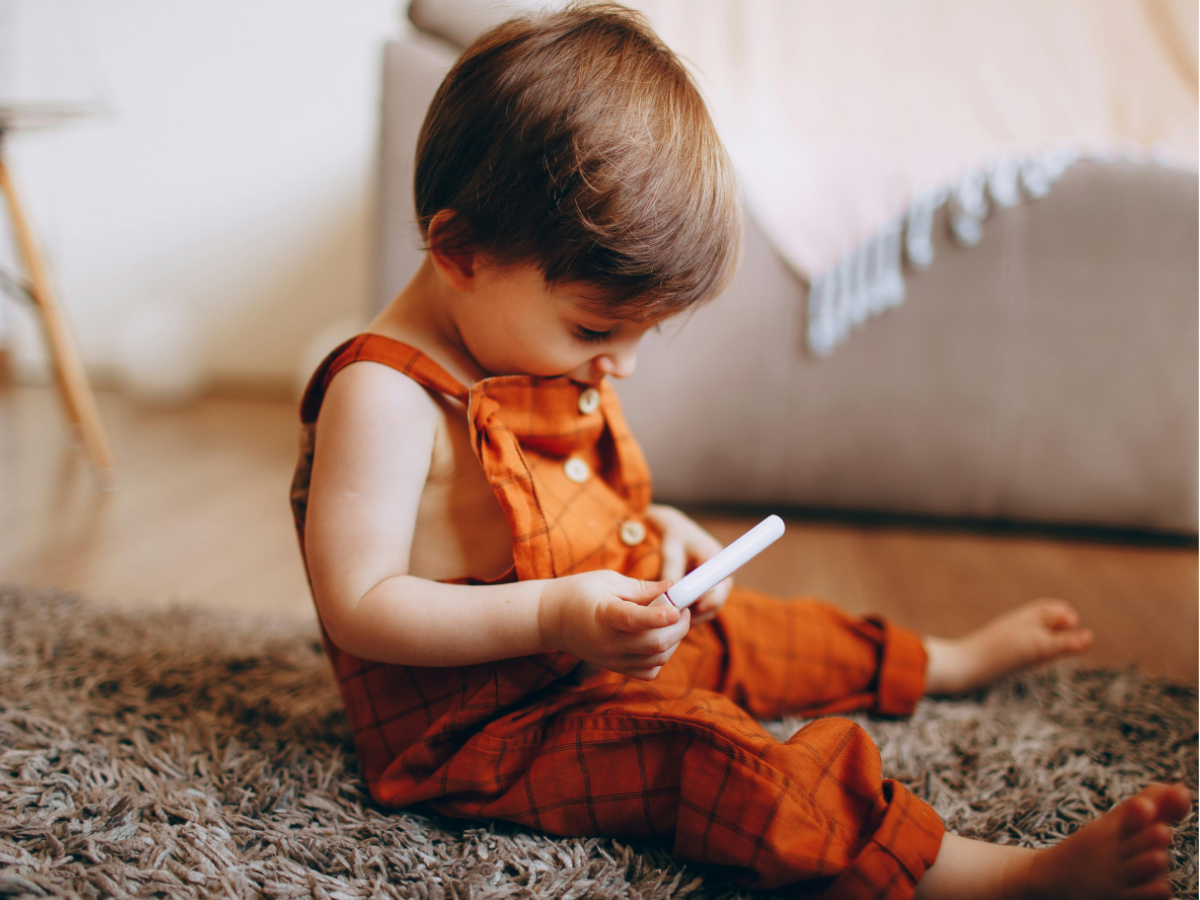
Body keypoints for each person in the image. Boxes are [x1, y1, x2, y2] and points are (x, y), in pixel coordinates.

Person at [289, 4, 1190, 897]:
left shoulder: (517, 336)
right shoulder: (383, 394)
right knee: (706, 758)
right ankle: (991, 876)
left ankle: (935, 659)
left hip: (579, 641)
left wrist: (658, 529)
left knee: (762, 630)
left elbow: (562, 516)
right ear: (459, 251)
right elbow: (359, 604)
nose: (624, 365)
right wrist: (554, 616)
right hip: (483, 728)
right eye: (597, 326)